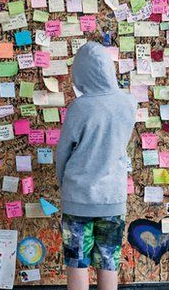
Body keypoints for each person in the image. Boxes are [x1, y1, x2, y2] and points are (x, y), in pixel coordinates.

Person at [55, 41, 137, 290]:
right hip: (113, 197)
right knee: (108, 262)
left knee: (77, 262)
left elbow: (63, 153)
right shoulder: (128, 103)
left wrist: (64, 186)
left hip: (78, 197)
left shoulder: (79, 107)